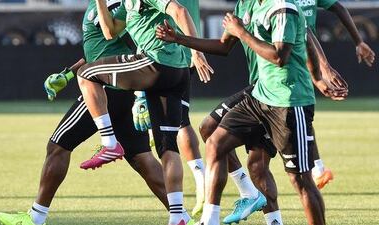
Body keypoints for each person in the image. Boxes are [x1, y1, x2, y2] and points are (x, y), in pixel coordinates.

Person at [0, 1, 195, 225]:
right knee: (141, 158)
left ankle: (35, 217)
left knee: (58, 146)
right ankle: (181, 215)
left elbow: (138, 43)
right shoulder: (99, 4)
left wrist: (141, 93)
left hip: (107, 92)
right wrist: (69, 74)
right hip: (114, 88)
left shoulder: (122, 4)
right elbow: (99, 48)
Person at [158, 0, 335, 223]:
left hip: (289, 102)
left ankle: (267, 212)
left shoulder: (283, 8)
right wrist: (179, 39)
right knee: (215, 141)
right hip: (259, 96)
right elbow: (224, 46)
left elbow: (280, 57)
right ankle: (211, 218)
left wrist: (241, 31)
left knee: (300, 180)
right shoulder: (246, 5)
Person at [74, 0, 213, 224]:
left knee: (86, 74)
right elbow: (110, 32)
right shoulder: (124, 4)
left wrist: (197, 52)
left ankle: (110, 143)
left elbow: (179, 11)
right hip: (176, 72)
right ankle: (177, 215)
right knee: (167, 145)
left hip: (156, 63)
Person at [296, 0, 376, 188]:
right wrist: (324, 68)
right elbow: (301, 27)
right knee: (294, 112)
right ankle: (316, 169)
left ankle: (316, 169)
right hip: (286, 54)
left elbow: (337, 7)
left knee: (300, 112)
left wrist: (359, 41)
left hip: (306, 56)